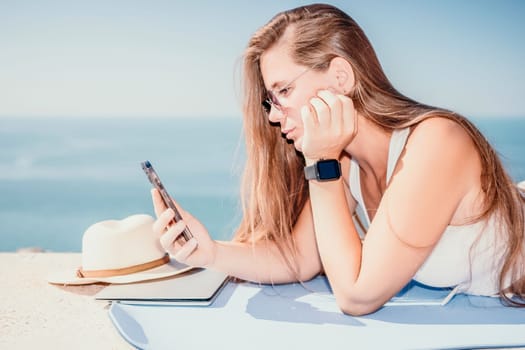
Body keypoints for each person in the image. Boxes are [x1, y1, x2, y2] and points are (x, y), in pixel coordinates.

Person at [151, 3, 525, 315]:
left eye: (284, 90)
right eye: (270, 99)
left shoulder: (437, 142)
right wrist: (210, 252)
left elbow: (357, 294)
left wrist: (322, 163)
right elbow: (300, 258)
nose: (272, 115)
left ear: (341, 77)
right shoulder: (346, 164)